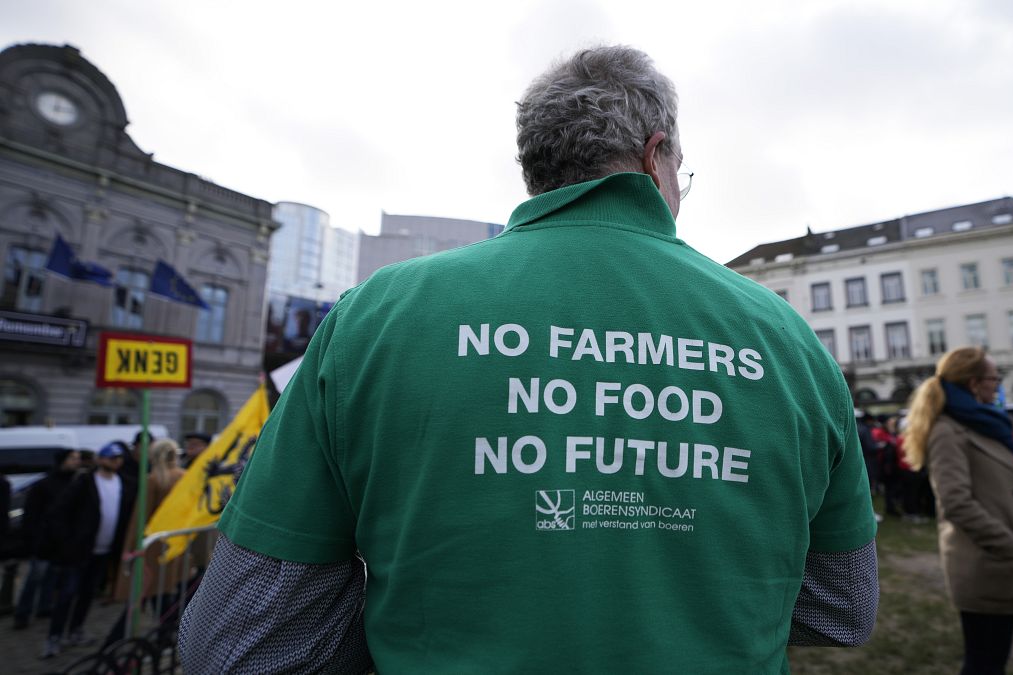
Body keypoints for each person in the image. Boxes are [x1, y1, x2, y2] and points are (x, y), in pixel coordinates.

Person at [179, 45, 879, 673]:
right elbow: (839, 611)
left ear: (536, 168)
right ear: (653, 154)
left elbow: (241, 641)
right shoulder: (788, 341)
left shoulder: (379, 314)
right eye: (681, 172)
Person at [903, 347, 1013, 674]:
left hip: (1001, 556)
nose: (997, 384)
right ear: (974, 384)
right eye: (994, 379)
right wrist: (1009, 544)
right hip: (986, 558)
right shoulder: (948, 429)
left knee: (993, 658)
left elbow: (999, 486)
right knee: (984, 661)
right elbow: (955, 501)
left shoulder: (986, 423)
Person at [41, 441, 133, 658]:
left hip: (104, 551)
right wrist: (67, 542)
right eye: (111, 458)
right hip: (79, 550)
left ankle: (76, 630)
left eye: (119, 458)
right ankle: (54, 636)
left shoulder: (125, 483)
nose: (116, 462)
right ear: (100, 459)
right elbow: (58, 512)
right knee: (67, 594)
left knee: (87, 594)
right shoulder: (84, 482)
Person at [106, 438, 188, 645]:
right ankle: (165, 638)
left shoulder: (153, 479)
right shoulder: (184, 477)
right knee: (162, 594)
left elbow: (139, 519)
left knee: (144, 594)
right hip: (174, 545)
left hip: (152, 547)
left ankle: (114, 643)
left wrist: (130, 548)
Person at [12, 449, 81, 629]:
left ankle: (44, 606)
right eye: (73, 458)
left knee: (51, 575)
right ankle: (23, 613)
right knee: (36, 577)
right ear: (62, 461)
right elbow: (32, 514)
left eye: (78, 459)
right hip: (43, 540)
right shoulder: (44, 485)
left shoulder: (74, 483)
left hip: (60, 540)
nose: (77, 462)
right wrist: (32, 538)